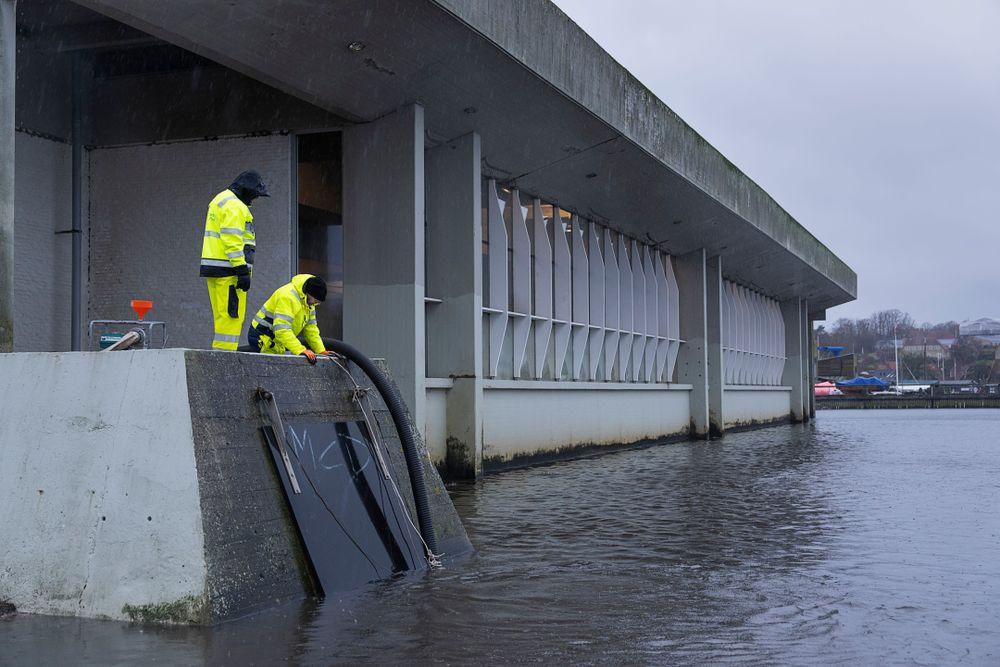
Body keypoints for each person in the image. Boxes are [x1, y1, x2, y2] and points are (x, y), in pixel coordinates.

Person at [199, 170, 269, 350]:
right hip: (230, 273)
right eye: (255, 195)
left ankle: (220, 358)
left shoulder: (220, 200)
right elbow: (232, 240)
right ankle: (224, 363)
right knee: (231, 320)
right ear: (247, 190)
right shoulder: (235, 206)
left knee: (222, 319)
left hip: (216, 269)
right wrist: (241, 270)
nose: (254, 200)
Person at [248, 274, 335, 364]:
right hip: (262, 338)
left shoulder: (308, 303)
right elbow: (282, 330)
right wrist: (300, 350)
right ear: (309, 293)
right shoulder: (287, 297)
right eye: (316, 301)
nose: (315, 304)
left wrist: (321, 351)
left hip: (275, 340)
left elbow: (311, 329)